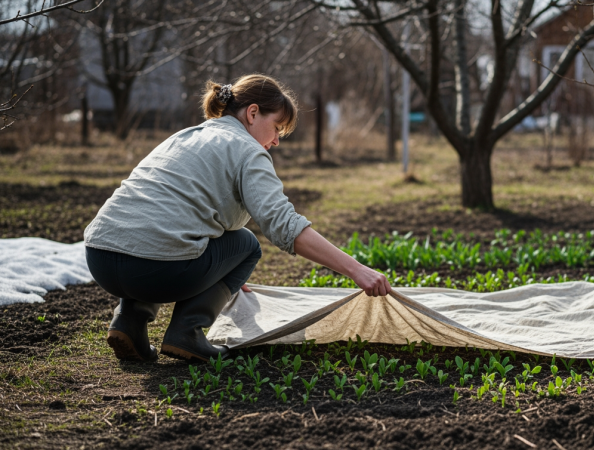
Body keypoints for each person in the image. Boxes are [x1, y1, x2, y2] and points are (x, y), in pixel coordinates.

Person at [84, 74, 391, 363]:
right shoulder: (247, 150)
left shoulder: (188, 135)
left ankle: (128, 324)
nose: (276, 141)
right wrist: (356, 270)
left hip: (101, 256)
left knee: (163, 231)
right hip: (154, 270)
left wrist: (220, 273)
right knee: (246, 244)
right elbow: (284, 226)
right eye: (277, 127)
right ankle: (186, 333)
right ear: (253, 113)